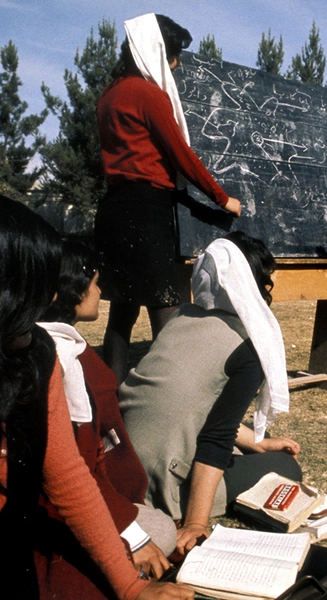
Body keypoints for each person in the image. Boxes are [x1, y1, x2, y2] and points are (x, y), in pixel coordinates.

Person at [0, 196, 193, 600]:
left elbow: (68, 476)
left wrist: (129, 587)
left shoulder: (37, 354)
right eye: (26, 302)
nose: (36, 318)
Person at [120, 232, 302, 554]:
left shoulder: (183, 316)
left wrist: (259, 442)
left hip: (122, 457)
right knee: (286, 468)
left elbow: (193, 402)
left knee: (262, 438)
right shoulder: (248, 347)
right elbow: (215, 436)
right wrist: (195, 524)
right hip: (157, 479)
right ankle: (185, 503)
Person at [95, 13, 241, 383]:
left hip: (114, 208)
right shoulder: (148, 94)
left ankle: (111, 405)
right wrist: (223, 199)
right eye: (172, 55)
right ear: (154, 51)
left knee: (121, 315)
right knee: (166, 308)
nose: (175, 65)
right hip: (147, 209)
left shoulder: (110, 94)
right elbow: (183, 156)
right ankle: (174, 393)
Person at [36, 241, 178, 598]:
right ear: (72, 289)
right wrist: (130, 529)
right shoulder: (63, 361)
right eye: (96, 282)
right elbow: (74, 469)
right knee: (160, 531)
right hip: (77, 504)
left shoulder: (67, 349)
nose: (99, 292)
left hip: (97, 495)